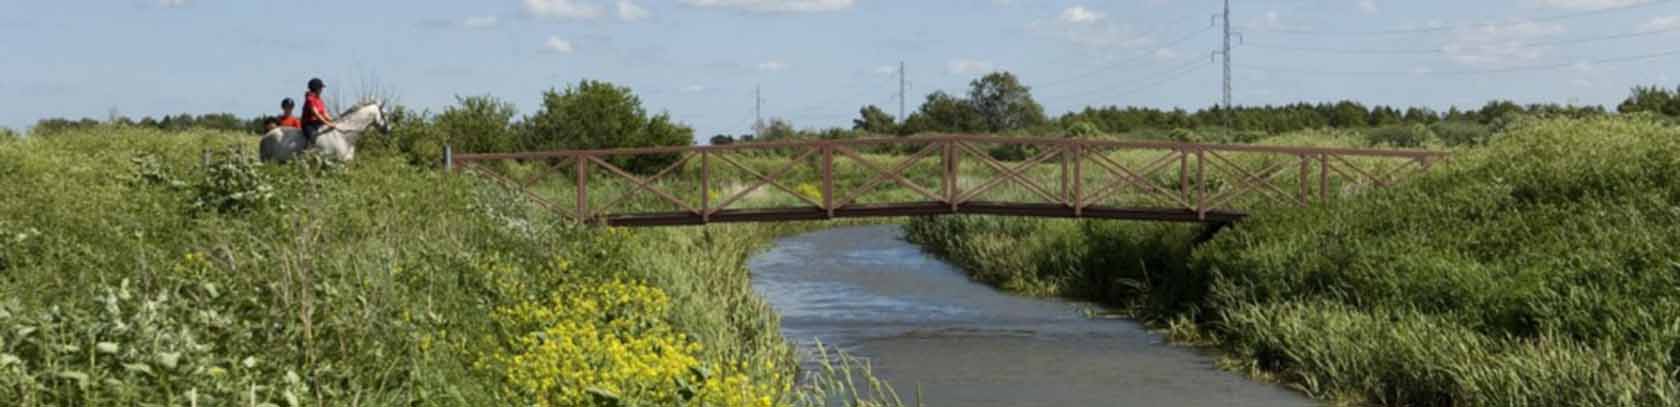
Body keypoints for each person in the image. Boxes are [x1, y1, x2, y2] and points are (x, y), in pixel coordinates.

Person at [300, 78, 335, 147]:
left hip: (318, 122)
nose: (322, 90)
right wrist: (327, 123)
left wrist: (332, 120)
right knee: (313, 135)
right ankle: (308, 150)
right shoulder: (310, 99)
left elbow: (324, 113)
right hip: (309, 124)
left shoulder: (319, 99)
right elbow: (316, 114)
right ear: (316, 88)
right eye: (321, 88)